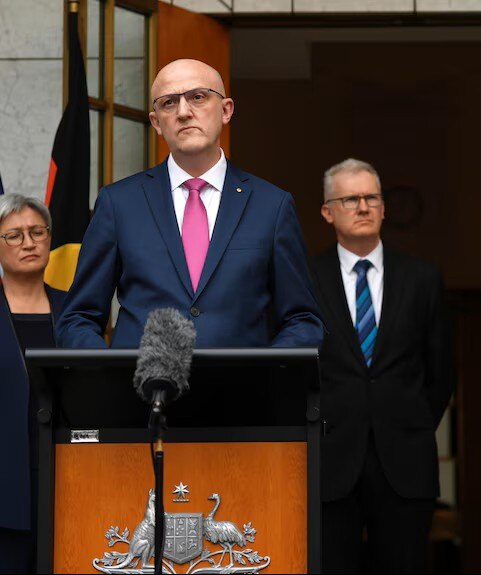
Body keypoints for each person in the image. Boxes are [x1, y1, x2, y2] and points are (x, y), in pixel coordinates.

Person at [57, 59, 322, 348]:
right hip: (142, 377)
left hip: (241, 378)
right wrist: (111, 371)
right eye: (169, 103)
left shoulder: (271, 205)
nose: (183, 112)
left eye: (198, 97)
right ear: (156, 122)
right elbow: (78, 318)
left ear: (226, 110)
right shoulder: (119, 203)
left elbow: (302, 320)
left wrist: (265, 371)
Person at [311, 159, 454, 573]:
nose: (363, 206)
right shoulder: (304, 278)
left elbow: (441, 372)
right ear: (327, 212)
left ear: (384, 208)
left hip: (405, 461)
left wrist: (411, 422)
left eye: (371, 197)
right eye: (350, 199)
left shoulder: (422, 278)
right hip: (329, 460)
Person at [0, 194, 66, 573]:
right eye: (14, 235)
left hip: (65, 474)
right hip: (4, 479)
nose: (28, 242)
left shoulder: (75, 311)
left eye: (37, 232)